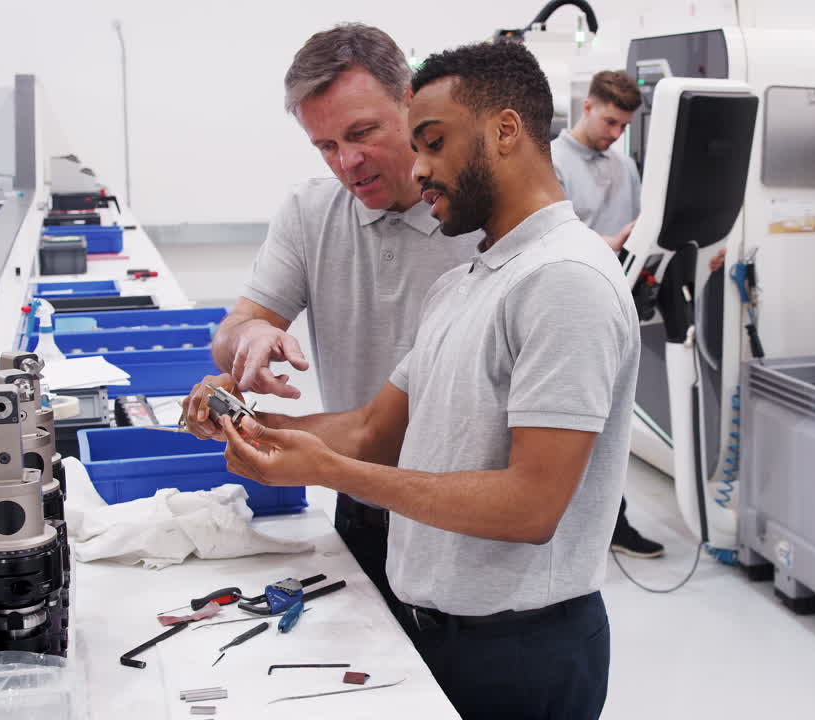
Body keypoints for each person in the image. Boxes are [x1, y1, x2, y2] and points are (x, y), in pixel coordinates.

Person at [215, 41, 638, 720]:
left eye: (432, 143)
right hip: (437, 629)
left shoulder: (566, 280)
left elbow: (531, 508)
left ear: (504, 131)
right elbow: (375, 430)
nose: (418, 169)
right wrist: (253, 428)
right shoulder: (466, 284)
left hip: (520, 652)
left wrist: (331, 471)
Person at [183, 24, 478, 621]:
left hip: (467, 521)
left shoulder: (479, 221)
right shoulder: (310, 212)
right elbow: (234, 331)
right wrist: (251, 338)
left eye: (362, 133)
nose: (348, 161)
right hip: (363, 504)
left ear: (410, 100)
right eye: (325, 146)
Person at [552, 69, 666, 559]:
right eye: (610, 122)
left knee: (611, 423)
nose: (615, 134)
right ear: (588, 107)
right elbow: (547, 232)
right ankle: (562, 525)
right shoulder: (552, 162)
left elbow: (641, 225)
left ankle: (609, 522)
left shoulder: (624, 166)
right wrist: (603, 242)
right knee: (569, 424)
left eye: (624, 127)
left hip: (619, 303)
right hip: (567, 307)